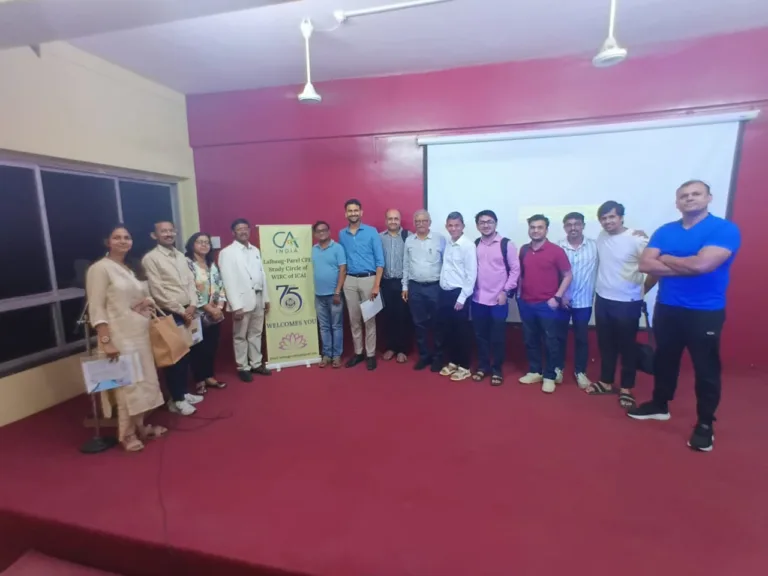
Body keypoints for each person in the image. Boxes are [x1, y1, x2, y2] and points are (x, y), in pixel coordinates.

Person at [630, 180, 741, 452]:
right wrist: (688, 264)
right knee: (665, 360)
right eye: (684, 196)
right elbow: (645, 264)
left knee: (706, 369)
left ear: (709, 198)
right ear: (677, 202)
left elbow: (703, 265)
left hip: (705, 311)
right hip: (668, 307)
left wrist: (666, 259)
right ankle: (660, 405)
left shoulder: (723, 229)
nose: (689, 199)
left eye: (696, 194)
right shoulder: (665, 231)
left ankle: (705, 424)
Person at [87, 225, 167, 452]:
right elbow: (97, 307)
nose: (123, 241)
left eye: (127, 237)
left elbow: (133, 299)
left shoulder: (129, 268)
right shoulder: (100, 269)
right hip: (119, 337)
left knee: (145, 384)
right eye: (117, 237)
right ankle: (126, 434)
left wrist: (144, 303)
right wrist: (106, 340)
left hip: (140, 334)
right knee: (127, 387)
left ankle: (141, 426)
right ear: (107, 241)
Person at [586, 201, 650, 409]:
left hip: (627, 302)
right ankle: (606, 382)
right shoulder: (602, 237)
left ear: (621, 217)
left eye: (612, 217)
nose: (608, 221)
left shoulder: (637, 239)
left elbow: (654, 268)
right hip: (603, 299)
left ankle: (626, 388)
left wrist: (642, 290)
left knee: (627, 347)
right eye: (603, 218)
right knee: (606, 344)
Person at [142, 221, 203, 416]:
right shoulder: (151, 259)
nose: (168, 234)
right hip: (169, 313)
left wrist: (192, 304)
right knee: (174, 357)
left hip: (188, 310)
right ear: (154, 235)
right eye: (163, 231)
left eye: (171, 230)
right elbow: (157, 291)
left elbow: (191, 283)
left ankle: (183, 393)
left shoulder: (181, 256)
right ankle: (176, 400)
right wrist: (181, 310)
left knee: (186, 353)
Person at [517, 215, 572, 393]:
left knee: (550, 341)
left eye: (540, 227)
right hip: (526, 303)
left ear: (546, 230)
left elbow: (568, 275)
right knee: (530, 339)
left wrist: (557, 297)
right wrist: (519, 296)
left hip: (547, 304)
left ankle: (549, 375)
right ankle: (535, 371)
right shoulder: (524, 250)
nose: (536, 230)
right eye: (532, 227)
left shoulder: (556, 251)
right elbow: (521, 274)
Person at [218, 218, 271, 382]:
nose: (243, 231)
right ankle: (243, 367)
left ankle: (256, 363)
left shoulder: (255, 250)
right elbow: (227, 280)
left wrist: (266, 298)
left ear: (249, 230)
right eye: (239, 229)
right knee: (240, 336)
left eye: (245, 228)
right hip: (241, 301)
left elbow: (262, 275)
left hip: (258, 297)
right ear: (233, 233)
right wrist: (236, 306)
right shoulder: (227, 253)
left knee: (256, 333)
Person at [471, 210, 520, 386]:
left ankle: (497, 369)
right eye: (482, 222)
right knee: (480, 335)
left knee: (497, 336)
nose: (486, 225)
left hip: (498, 299)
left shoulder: (506, 244)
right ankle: (483, 366)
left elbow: (515, 270)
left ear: (496, 223)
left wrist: (505, 291)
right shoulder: (475, 244)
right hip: (478, 298)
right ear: (477, 226)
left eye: (489, 221)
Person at [338, 199, 384, 370]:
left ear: (361, 212)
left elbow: (380, 261)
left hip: (369, 279)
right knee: (354, 319)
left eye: (356, 210)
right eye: (350, 211)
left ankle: (370, 354)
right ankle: (358, 353)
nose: (353, 213)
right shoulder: (342, 234)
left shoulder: (372, 232)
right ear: (346, 214)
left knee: (369, 319)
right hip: (349, 280)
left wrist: (376, 285)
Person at [555, 212, 598, 389]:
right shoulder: (558, 247)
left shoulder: (595, 246)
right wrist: (560, 295)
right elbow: (553, 274)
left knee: (582, 338)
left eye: (577, 224)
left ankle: (580, 371)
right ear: (564, 227)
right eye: (569, 224)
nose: (573, 228)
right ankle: (558, 368)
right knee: (559, 337)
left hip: (584, 301)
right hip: (562, 301)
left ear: (583, 226)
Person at [402, 209, 445, 371]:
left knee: (437, 323)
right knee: (419, 324)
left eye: (424, 221)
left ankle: (438, 357)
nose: (421, 224)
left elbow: (447, 263)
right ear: (414, 223)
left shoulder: (440, 239)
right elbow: (406, 265)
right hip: (415, 288)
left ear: (430, 222)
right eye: (418, 221)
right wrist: (405, 286)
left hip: (435, 287)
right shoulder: (409, 241)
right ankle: (424, 356)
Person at [436, 212, 477, 381]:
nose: (453, 228)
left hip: (459, 294)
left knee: (462, 332)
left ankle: (465, 366)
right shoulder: (448, 243)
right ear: (446, 226)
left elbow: (471, 275)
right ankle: (453, 361)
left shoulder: (468, 246)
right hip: (445, 293)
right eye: (450, 225)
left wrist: (462, 298)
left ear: (463, 226)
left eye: (457, 225)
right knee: (449, 330)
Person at [185, 232, 227, 395]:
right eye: (199, 242)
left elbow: (219, 285)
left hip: (215, 314)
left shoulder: (211, 263)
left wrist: (219, 307)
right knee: (198, 349)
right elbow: (191, 289)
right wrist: (209, 308)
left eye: (207, 242)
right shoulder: (187, 263)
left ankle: (209, 376)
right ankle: (199, 380)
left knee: (211, 347)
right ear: (192, 244)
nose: (204, 245)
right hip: (197, 313)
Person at [311, 220, 347, 368]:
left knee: (336, 326)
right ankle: (326, 354)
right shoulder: (313, 249)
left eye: (324, 230)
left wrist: (338, 291)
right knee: (324, 326)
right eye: (319, 231)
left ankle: (336, 355)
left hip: (334, 295)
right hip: (318, 295)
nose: (322, 233)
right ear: (315, 234)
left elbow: (343, 270)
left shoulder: (337, 248)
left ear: (329, 231)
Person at [379, 209, 413, 363]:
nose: (393, 221)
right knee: (387, 316)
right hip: (385, 283)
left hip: (402, 283)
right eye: (390, 219)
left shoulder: (409, 236)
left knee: (403, 317)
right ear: (386, 220)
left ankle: (402, 349)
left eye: (396, 219)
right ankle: (391, 347)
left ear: (400, 220)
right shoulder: (379, 237)